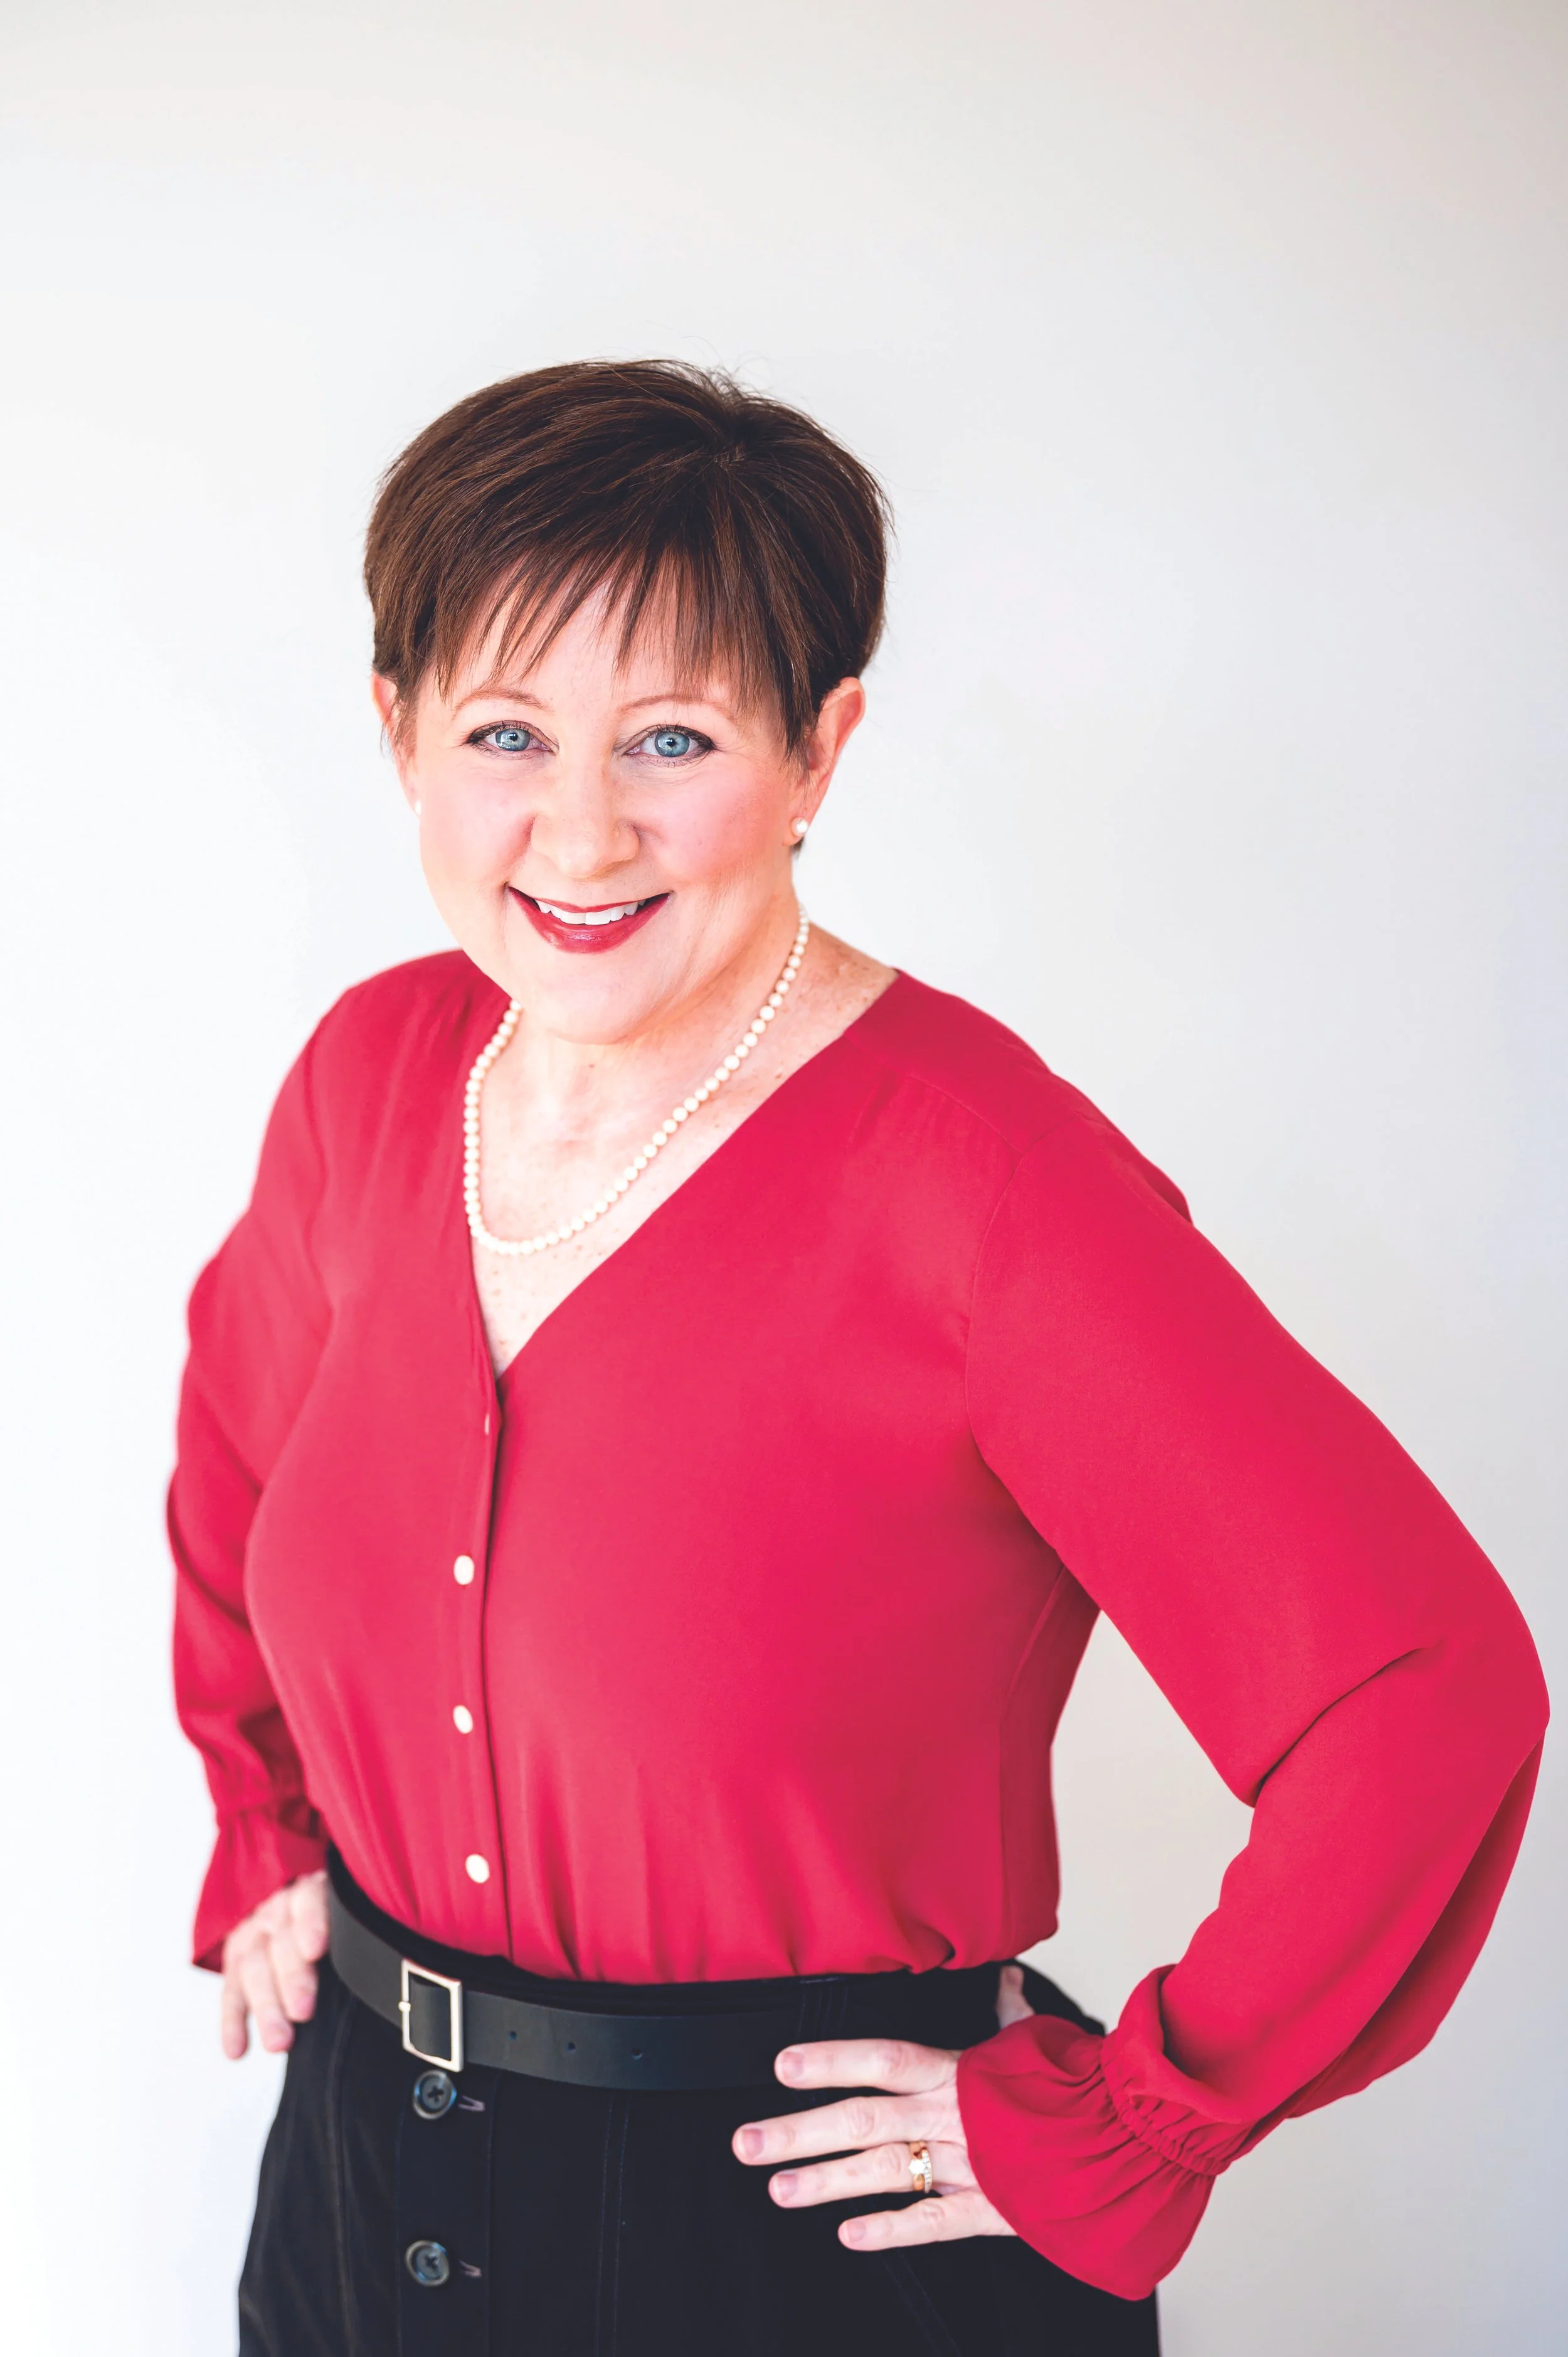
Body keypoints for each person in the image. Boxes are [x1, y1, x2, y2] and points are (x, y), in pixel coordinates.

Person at [171, 361, 1547, 2357]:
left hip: (799, 2237)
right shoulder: (371, 1077)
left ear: (819, 750)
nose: (580, 828)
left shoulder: (989, 1189)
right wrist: (267, 1821)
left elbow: (1420, 1686)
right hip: (363, 2177)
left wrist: (1135, 2119)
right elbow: (237, 1456)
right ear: (396, 732)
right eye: (503, 732)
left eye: (672, 737)